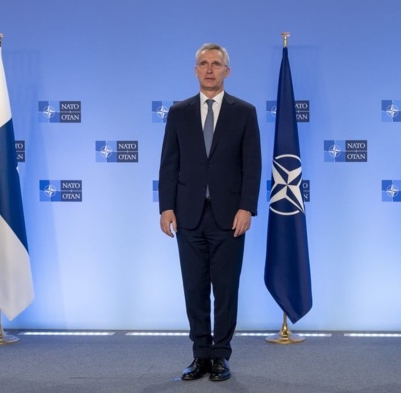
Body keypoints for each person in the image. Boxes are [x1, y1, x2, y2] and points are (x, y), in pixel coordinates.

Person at [159, 43, 261, 382]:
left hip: (230, 216)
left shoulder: (244, 112)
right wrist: (166, 207)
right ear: (195, 70)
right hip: (188, 215)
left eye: (216, 64)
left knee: (226, 288)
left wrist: (247, 207)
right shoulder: (178, 112)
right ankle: (200, 354)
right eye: (203, 63)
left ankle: (221, 356)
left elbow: (252, 165)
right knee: (195, 288)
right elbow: (169, 163)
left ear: (226, 71)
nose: (209, 69)